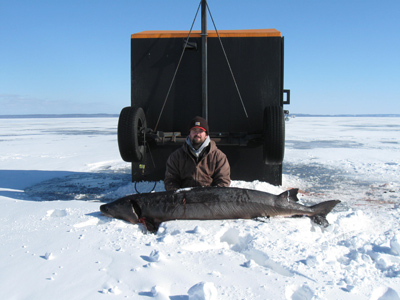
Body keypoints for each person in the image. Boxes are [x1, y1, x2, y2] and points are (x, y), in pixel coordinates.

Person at [164, 116, 231, 191]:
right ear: (189, 134)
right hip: (184, 199)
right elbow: (170, 180)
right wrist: (178, 195)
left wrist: (212, 196)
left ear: (206, 135)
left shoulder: (218, 156)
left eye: (200, 131)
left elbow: (223, 181)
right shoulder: (176, 156)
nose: (197, 133)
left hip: (209, 199)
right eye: (194, 130)